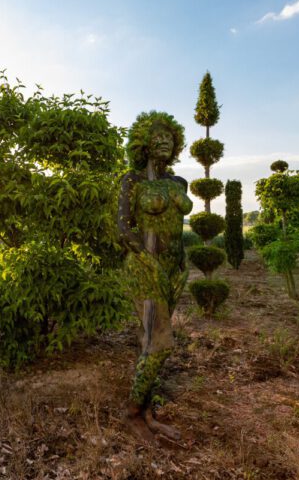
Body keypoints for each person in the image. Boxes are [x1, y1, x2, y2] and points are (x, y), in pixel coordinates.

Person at [117, 111, 193, 441]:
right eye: (156, 137)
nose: (164, 141)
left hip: (174, 270)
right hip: (144, 269)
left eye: (169, 137)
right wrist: (147, 258)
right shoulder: (132, 180)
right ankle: (132, 414)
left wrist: (180, 264)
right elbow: (122, 228)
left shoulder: (179, 183)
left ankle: (147, 412)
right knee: (160, 342)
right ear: (143, 144)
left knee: (150, 341)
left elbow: (178, 228)